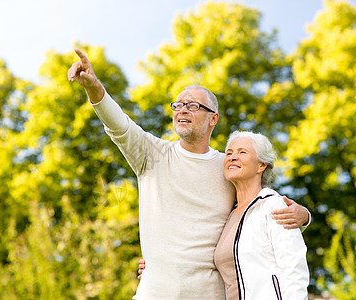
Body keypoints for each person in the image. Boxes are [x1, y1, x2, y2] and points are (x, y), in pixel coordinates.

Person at [67, 49, 310, 299]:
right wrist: (94, 87)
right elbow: (118, 125)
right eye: (178, 105)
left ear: (213, 118)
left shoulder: (227, 167)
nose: (183, 110)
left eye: (193, 105)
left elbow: (257, 209)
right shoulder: (151, 154)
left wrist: (304, 216)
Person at [214, 130, 309, 299]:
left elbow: (294, 269)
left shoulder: (273, 206)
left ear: (261, 165)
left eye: (242, 152)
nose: (232, 157)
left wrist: (306, 215)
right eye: (229, 153)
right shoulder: (227, 214)